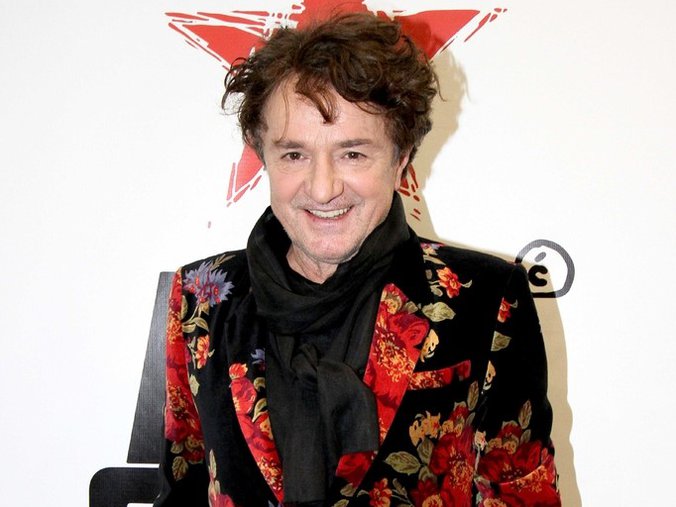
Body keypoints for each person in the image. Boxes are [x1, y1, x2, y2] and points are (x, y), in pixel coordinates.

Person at [154, 13, 560, 507]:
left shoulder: (487, 299)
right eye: (294, 155)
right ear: (263, 156)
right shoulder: (201, 296)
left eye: (353, 154)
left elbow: (522, 494)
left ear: (401, 157)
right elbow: (184, 488)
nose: (323, 188)